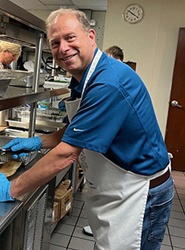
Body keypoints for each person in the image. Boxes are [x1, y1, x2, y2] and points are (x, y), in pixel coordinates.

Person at [0, 8, 174, 250]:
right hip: (119, 189)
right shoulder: (83, 78)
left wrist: (11, 189)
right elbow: (75, 129)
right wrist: (39, 142)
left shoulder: (108, 83)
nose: (63, 48)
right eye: (55, 43)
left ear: (90, 36)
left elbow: (67, 153)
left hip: (139, 193)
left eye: (70, 38)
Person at [82, 45, 124, 237]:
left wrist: (13, 188)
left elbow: (67, 153)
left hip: (130, 180)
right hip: (109, 172)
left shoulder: (112, 84)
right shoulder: (95, 82)